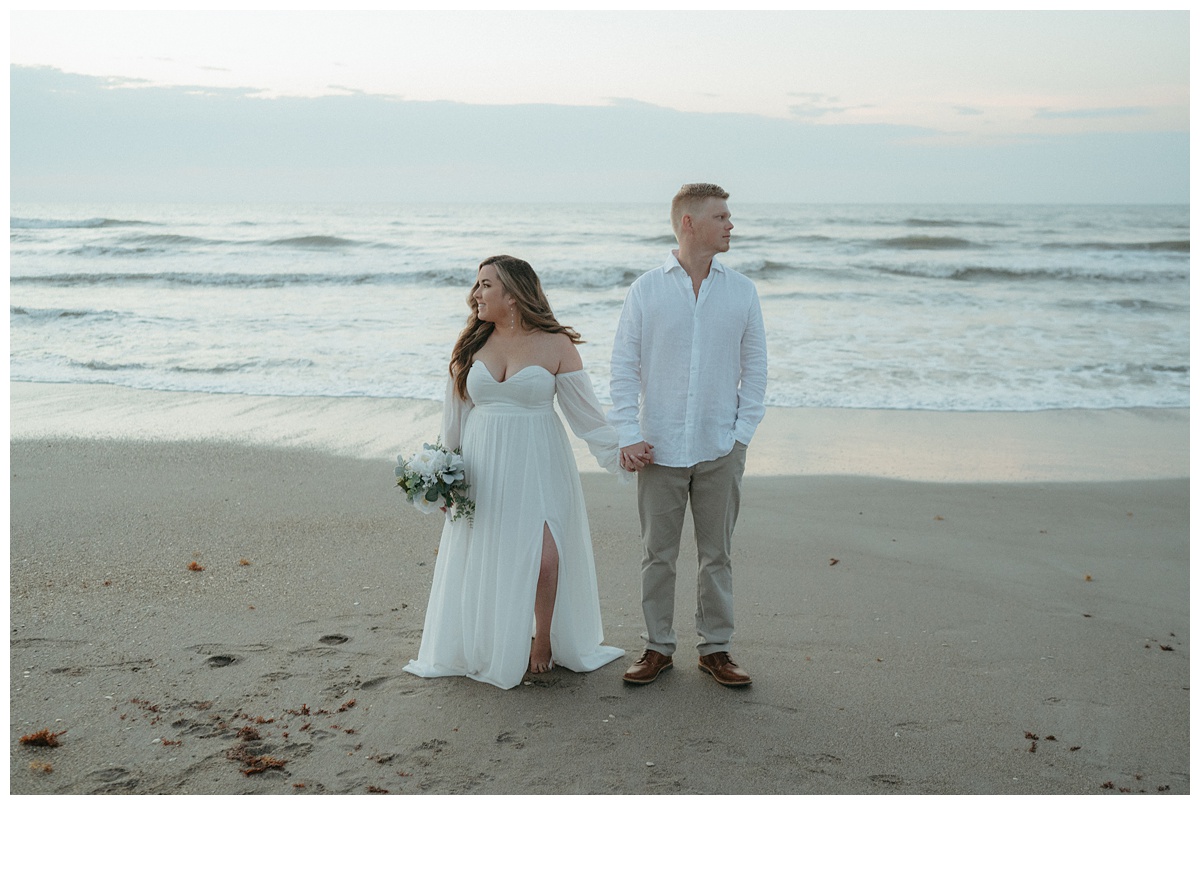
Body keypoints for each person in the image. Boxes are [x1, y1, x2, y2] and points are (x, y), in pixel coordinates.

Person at [404, 255, 625, 690]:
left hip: (540, 462)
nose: (476, 294)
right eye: (477, 285)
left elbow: (588, 417)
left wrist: (622, 454)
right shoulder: (470, 345)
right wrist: (443, 475)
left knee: (546, 557)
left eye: (486, 285)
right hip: (484, 464)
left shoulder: (556, 344)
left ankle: (543, 640)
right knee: (488, 554)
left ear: (514, 294)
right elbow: (454, 418)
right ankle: (494, 640)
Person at [609, 183, 768, 688]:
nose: (730, 224)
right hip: (658, 449)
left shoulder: (741, 290)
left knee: (716, 554)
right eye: (721, 216)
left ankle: (715, 649)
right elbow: (623, 367)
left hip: (721, 446)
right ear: (689, 223)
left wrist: (741, 434)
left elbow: (756, 367)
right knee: (658, 554)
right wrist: (629, 434)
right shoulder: (646, 290)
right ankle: (657, 647)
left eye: (729, 216)